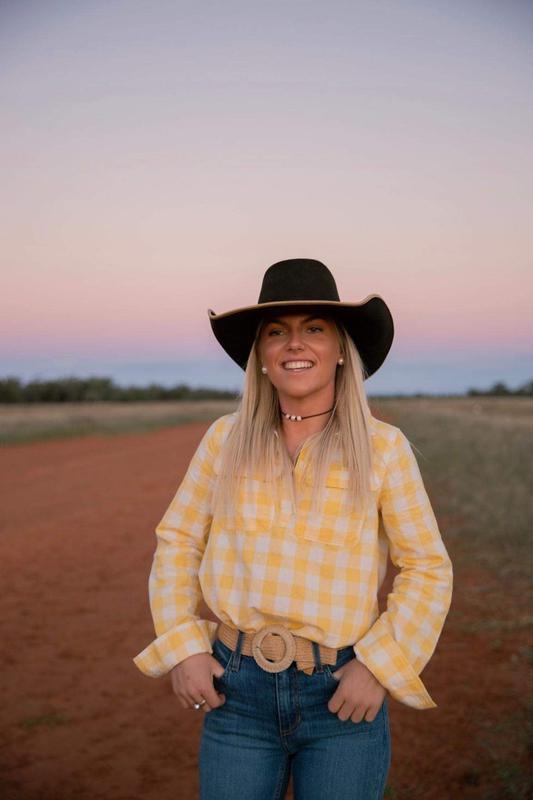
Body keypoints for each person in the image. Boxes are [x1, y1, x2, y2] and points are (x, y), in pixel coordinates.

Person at [133, 258, 454, 800]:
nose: (294, 344)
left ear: (339, 351)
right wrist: (183, 647)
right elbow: (179, 540)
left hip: (340, 696)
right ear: (260, 355)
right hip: (237, 695)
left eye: (314, 329)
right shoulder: (223, 439)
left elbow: (426, 566)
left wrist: (378, 668)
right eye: (277, 332)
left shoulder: (383, 449)